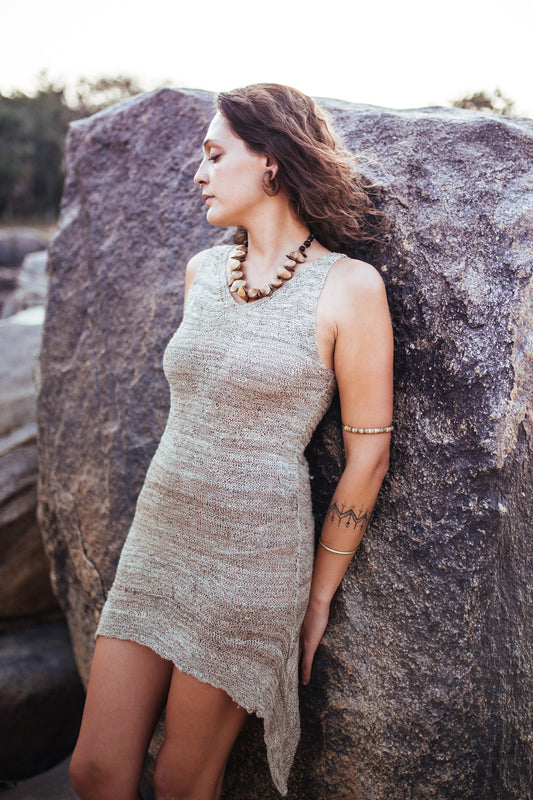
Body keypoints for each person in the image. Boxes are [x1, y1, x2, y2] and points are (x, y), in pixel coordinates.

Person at [69, 83, 393, 800]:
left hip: (250, 563)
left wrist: (315, 601)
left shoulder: (349, 288)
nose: (198, 173)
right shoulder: (204, 273)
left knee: (182, 780)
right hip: (160, 537)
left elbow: (367, 457)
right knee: (95, 770)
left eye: (215, 155)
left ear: (271, 163)